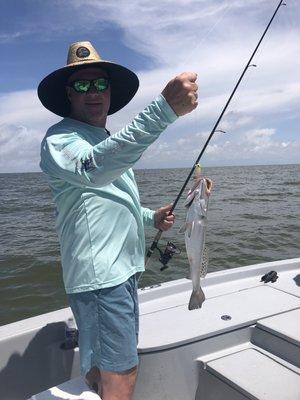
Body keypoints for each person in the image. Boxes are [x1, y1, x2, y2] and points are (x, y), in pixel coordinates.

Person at [38, 41, 198, 400]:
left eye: (100, 84)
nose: (93, 91)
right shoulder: (60, 138)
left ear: (110, 91)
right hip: (102, 278)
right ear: (68, 93)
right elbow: (94, 169)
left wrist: (150, 217)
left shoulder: (104, 140)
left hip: (121, 272)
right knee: (121, 373)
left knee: (101, 369)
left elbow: (108, 197)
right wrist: (163, 111)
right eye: (82, 84)